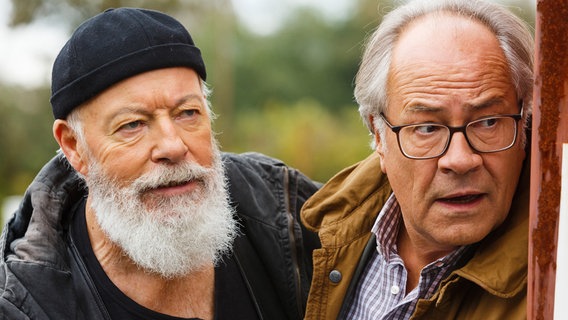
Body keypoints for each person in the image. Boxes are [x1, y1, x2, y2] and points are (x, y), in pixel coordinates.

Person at [0, 8, 320, 320]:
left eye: (188, 113)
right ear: (73, 146)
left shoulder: (286, 211)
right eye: (133, 125)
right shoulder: (28, 304)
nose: (173, 146)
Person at [301, 0, 533, 319]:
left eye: (488, 122)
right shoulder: (314, 241)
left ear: (524, 122)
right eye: (426, 128)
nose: (460, 159)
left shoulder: (552, 282)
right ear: (379, 134)